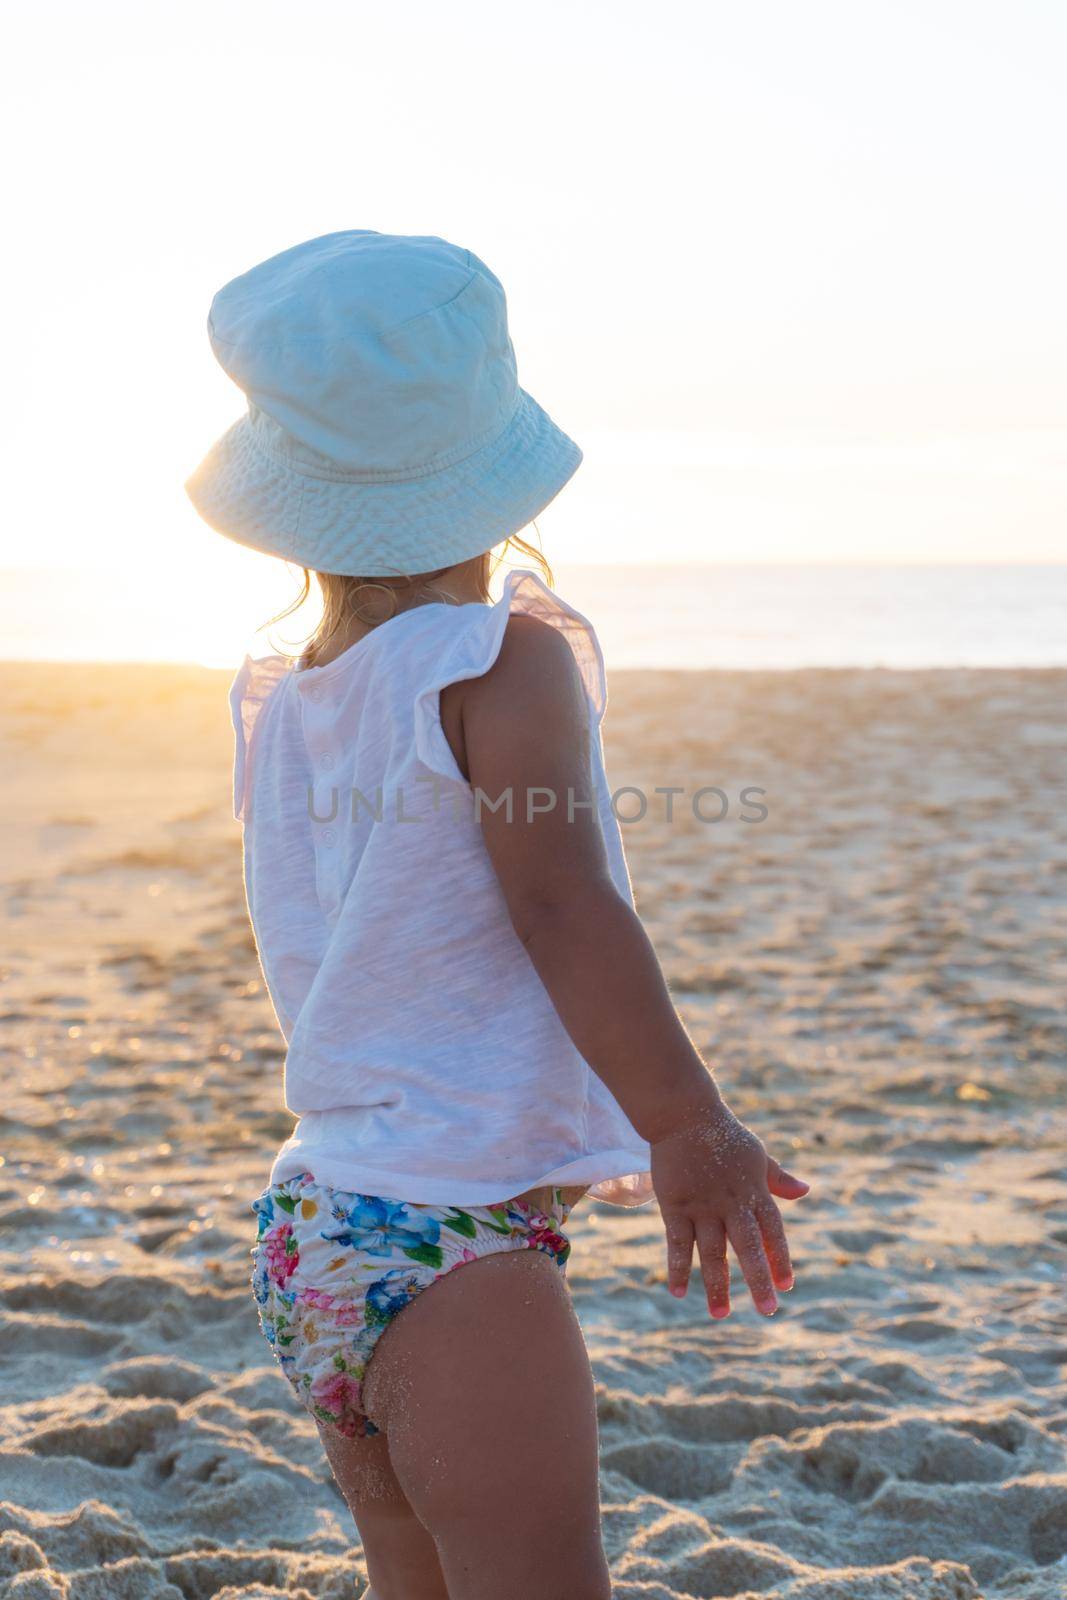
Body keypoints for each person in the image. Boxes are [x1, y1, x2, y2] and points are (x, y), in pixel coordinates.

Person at [186, 230, 810, 1600]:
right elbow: (563, 902)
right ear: (489, 454)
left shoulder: (287, 696)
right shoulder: (502, 660)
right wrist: (686, 1126)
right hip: (454, 1247)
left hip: (320, 1226)